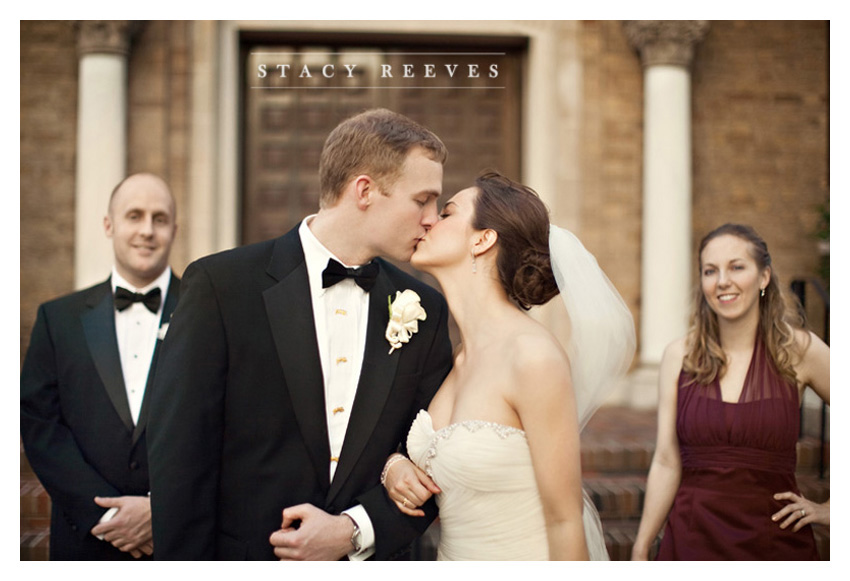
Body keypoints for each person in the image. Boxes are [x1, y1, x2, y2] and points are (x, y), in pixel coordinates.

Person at [146, 108, 454, 560]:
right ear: (364, 190)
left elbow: (436, 458)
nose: (432, 219)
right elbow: (179, 459)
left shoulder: (423, 306)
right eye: (422, 200)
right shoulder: (221, 287)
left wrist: (355, 529)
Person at [381, 172, 635, 560]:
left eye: (447, 213)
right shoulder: (453, 360)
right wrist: (395, 464)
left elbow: (565, 520)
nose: (430, 220)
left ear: (483, 239)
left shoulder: (533, 357)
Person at [631, 223, 830, 560]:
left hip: (775, 544)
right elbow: (666, 460)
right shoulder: (679, 355)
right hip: (693, 539)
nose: (723, 280)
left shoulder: (798, 350)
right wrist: (639, 549)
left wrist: (834, 508)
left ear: (764, 276)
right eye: (711, 271)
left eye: (737, 267)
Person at [20, 173, 180, 560]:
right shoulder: (58, 320)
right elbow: (41, 426)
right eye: (134, 216)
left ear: (175, 229)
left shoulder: (210, 315)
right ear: (109, 225)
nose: (147, 231)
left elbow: (227, 425)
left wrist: (163, 511)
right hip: (84, 542)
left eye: (159, 219)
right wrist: (104, 515)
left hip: (179, 541)